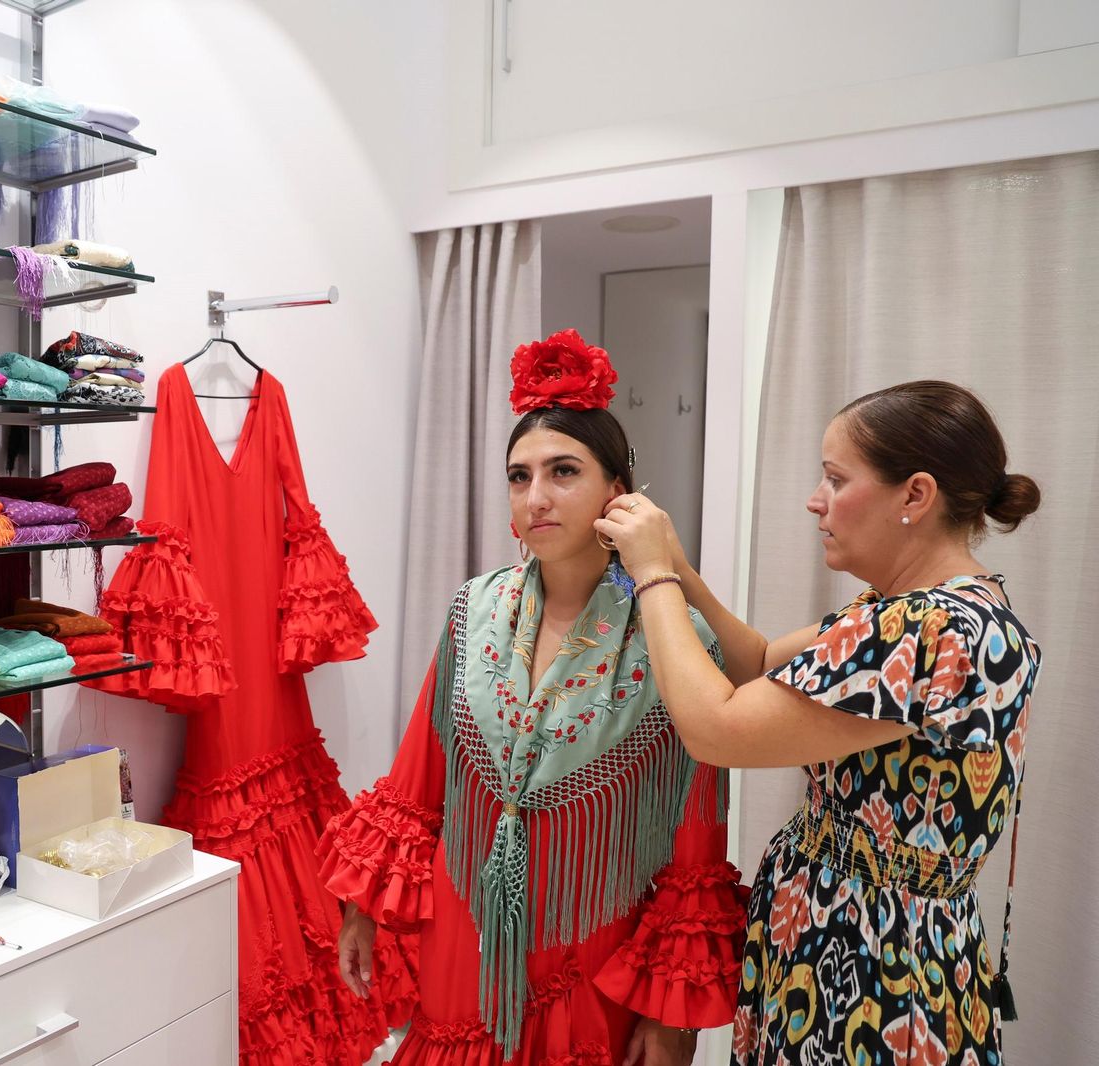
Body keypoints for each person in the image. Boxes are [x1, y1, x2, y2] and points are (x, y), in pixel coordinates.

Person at [321, 331, 745, 1065]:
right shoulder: (473, 609)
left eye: (563, 472)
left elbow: (692, 832)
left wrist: (668, 1017)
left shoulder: (675, 637)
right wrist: (364, 906)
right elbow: (420, 774)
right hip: (467, 929)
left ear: (619, 494)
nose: (536, 498)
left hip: (595, 939)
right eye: (519, 477)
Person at [595, 381, 1042, 1066]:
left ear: (914, 496)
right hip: (839, 937)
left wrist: (652, 576)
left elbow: (716, 727)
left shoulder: (932, 630)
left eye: (835, 478)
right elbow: (759, 663)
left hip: (872, 969)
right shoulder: (919, 609)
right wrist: (679, 567)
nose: (816, 499)